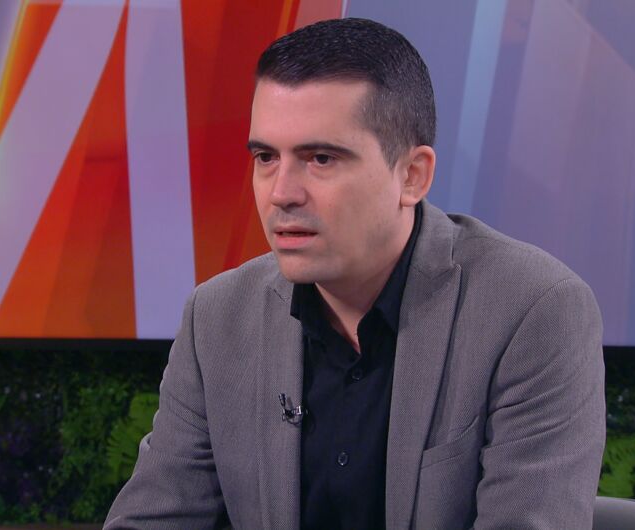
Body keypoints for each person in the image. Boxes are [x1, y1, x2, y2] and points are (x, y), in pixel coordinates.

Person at [105, 17, 604, 530]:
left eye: (321, 158)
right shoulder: (217, 318)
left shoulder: (532, 312)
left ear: (412, 176)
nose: (281, 193)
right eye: (266, 157)